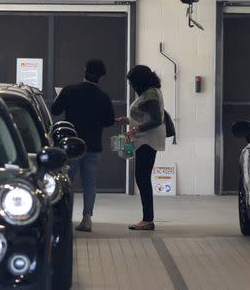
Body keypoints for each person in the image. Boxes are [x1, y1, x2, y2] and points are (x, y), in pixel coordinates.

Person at [51, 59, 115, 232]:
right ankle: (87, 218)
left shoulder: (70, 91)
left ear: (85, 70)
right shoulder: (103, 96)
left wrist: (61, 96)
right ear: (101, 77)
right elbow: (109, 121)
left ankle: (63, 219)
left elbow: (54, 111)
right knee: (90, 183)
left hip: (71, 146)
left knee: (66, 183)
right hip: (94, 146)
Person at [117, 65, 165, 231]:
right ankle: (147, 218)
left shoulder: (150, 93)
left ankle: (147, 219)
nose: (131, 86)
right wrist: (129, 121)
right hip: (145, 139)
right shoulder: (150, 92)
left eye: (132, 82)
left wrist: (136, 129)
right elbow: (144, 117)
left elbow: (156, 119)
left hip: (147, 140)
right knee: (142, 177)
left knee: (142, 178)